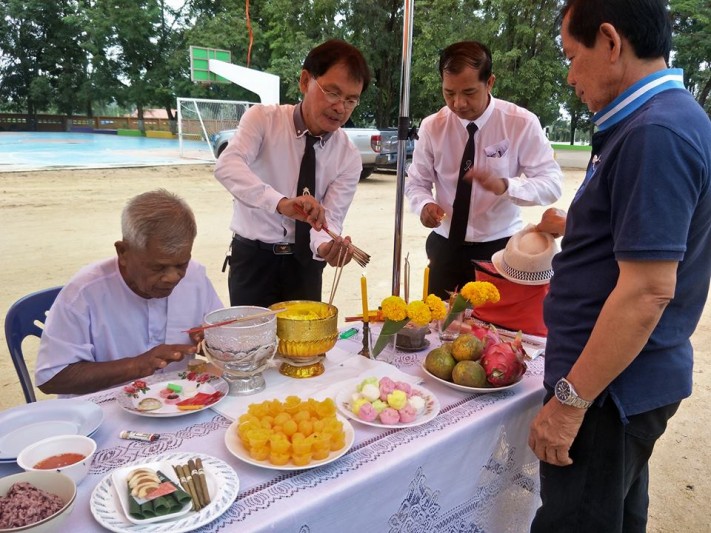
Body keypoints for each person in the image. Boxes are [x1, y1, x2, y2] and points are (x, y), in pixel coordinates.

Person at [528, 1, 711, 531]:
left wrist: (570, 403)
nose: (570, 76)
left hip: (609, 393)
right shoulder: (658, 121)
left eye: (571, 56)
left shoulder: (656, 132)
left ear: (610, 42)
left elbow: (647, 291)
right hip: (616, 388)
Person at [215, 39, 371, 308]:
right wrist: (280, 203)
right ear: (305, 81)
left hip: (305, 266)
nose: (340, 108)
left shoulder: (348, 156)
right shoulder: (263, 120)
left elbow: (330, 218)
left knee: (306, 335)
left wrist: (327, 247)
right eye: (332, 93)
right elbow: (228, 165)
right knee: (252, 334)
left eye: (351, 100)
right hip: (253, 260)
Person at [404, 40, 562, 299]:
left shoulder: (520, 123)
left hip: (500, 250)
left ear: (490, 82)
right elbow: (416, 182)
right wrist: (424, 204)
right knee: (439, 320)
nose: (458, 103)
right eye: (449, 93)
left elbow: (552, 183)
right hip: (445, 246)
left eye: (469, 92)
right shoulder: (433, 126)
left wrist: (507, 186)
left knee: (494, 322)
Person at [35, 189, 224, 396]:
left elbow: (220, 336)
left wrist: (212, 343)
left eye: (181, 264)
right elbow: (52, 378)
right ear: (123, 252)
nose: (172, 277)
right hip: (102, 410)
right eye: (158, 267)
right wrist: (138, 366)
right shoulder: (85, 292)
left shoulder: (195, 277)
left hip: (181, 402)